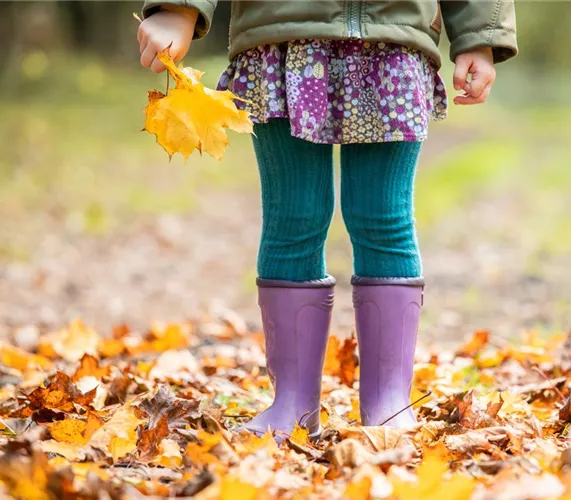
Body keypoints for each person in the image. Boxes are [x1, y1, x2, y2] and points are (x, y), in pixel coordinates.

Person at [138, 0, 517, 438]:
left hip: (393, 41)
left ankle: (389, 403)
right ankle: (292, 404)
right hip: (278, 40)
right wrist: (179, 8)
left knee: (384, 220)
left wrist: (479, 36)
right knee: (293, 218)